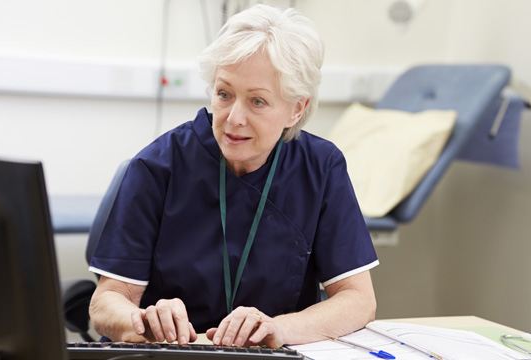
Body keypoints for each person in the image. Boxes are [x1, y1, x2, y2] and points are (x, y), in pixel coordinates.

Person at [88, 4, 378, 349]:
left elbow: (358, 299)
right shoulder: (158, 166)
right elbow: (107, 300)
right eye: (224, 94)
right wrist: (140, 322)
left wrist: (280, 330)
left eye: (257, 101)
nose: (233, 118)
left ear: (297, 108)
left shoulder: (320, 167)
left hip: (273, 354)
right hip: (174, 353)